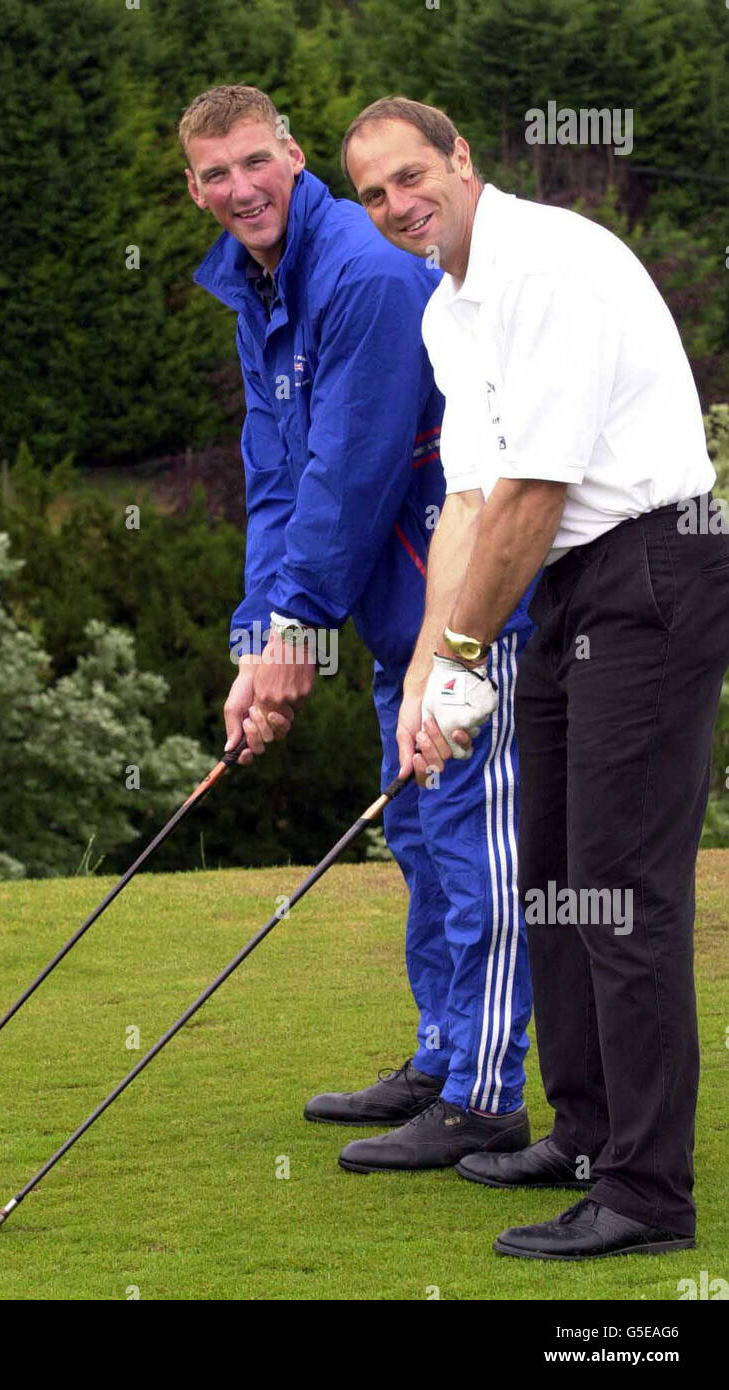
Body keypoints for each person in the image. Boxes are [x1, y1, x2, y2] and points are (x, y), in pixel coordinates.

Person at [342, 95, 729, 1257]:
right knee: (554, 876)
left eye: (415, 177)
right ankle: (586, 1133)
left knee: (620, 889)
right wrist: (425, 679)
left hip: (658, 563)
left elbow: (534, 493)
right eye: (375, 196)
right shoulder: (447, 311)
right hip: (569, 583)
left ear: (461, 160)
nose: (401, 206)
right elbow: (467, 500)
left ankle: (650, 1193)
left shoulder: (549, 264)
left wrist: (463, 657)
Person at [181, 84, 535, 1172]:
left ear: (291, 156)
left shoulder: (364, 273)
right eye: (213, 173)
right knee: (425, 840)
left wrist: (298, 629)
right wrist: (263, 636)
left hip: (471, 610)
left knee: (473, 842)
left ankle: (487, 1092)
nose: (239, 187)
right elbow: (276, 477)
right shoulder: (262, 285)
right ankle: (442, 1057)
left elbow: (352, 471)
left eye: (254, 161)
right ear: (192, 188)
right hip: (396, 618)